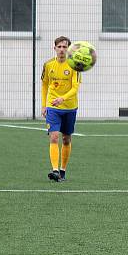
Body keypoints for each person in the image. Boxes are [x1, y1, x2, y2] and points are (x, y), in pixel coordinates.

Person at [41, 36, 81, 182]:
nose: (62, 50)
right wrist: (44, 105)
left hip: (70, 107)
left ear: (68, 49)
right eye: (59, 47)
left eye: (65, 47)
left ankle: (63, 170)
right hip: (53, 107)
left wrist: (63, 98)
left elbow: (75, 88)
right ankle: (55, 170)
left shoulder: (74, 66)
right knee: (54, 137)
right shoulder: (48, 65)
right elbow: (45, 84)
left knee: (66, 139)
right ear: (55, 48)